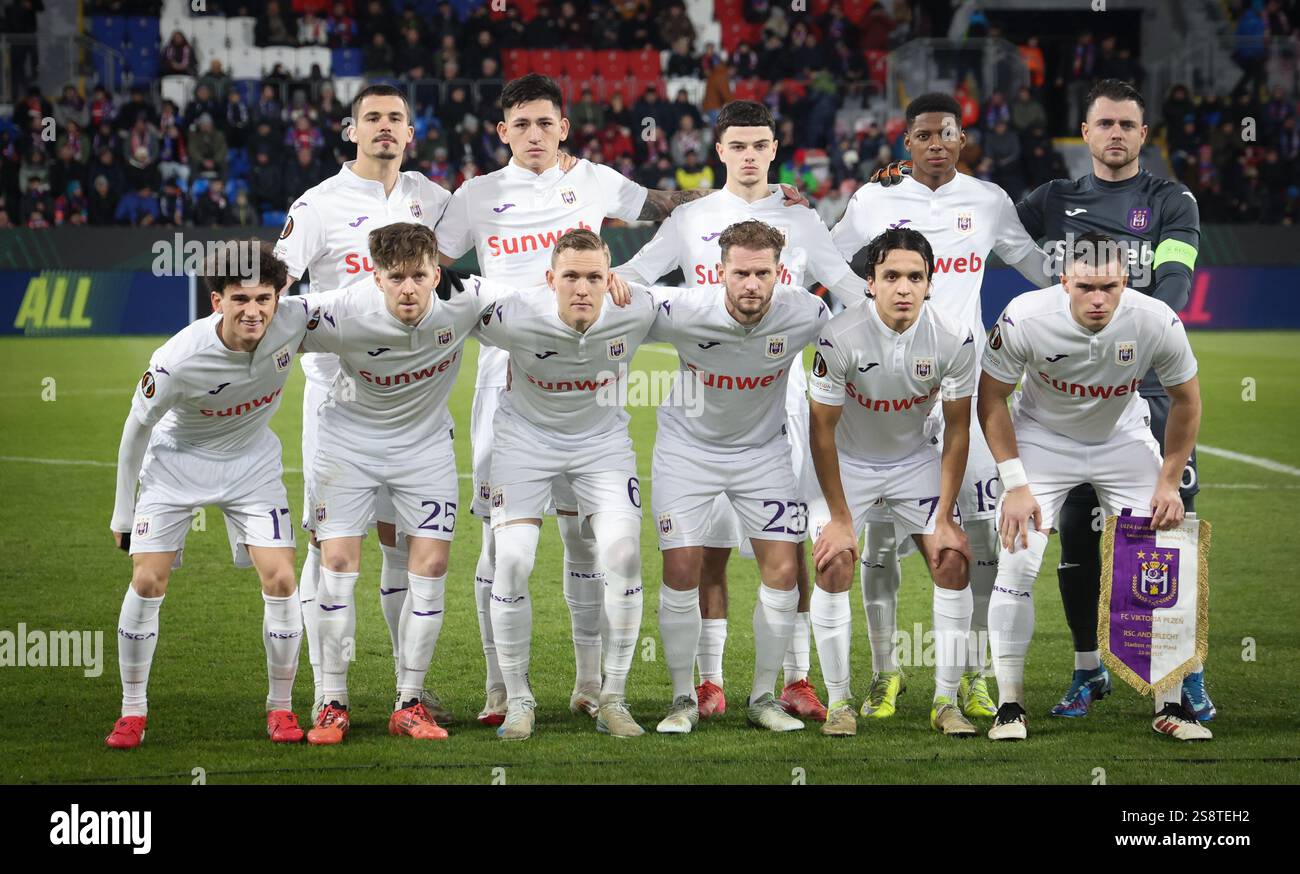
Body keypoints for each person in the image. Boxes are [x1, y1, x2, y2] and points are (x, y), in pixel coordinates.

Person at [434, 74, 799, 726]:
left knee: (586, 540)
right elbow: (430, 265)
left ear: (564, 127)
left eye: (546, 123)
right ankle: (498, 688)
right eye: (521, 124)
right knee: (502, 545)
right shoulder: (477, 194)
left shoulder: (597, 181)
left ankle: (591, 683)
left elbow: (666, 204)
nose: (535, 135)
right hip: (508, 375)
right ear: (502, 132)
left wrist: (758, 199)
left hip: (592, 371)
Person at [615, 100, 866, 723]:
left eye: (760, 145)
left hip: (783, 402)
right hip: (705, 397)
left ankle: (796, 678)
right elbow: (635, 278)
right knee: (708, 550)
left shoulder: (802, 217)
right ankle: (705, 681)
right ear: (719, 151)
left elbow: (848, 288)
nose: (750, 155)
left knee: (790, 547)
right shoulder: (693, 217)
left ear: (774, 149)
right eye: (738, 145)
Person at [832, 93, 1052, 722]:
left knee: (980, 534)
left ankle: (977, 674)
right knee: (877, 539)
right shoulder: (875, 199)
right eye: (923, 135)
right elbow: (828, 258)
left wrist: (1080, 291)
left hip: (967, 385)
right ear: (907, 144)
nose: (935, 144)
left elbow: (1032, 265)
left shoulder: (988, 200)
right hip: (887, 389)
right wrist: (861, 318)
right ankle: (883, 674)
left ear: (962, 139)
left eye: (946, 134)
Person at [977, 231, 1206, 742]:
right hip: (1041, 439)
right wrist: (1014, 482)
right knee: (1018, 557)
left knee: (1159, 558)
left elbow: (1187, 400)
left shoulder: (1155, 320)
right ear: (1064, 280)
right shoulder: (1024, 316)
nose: (1098, 299)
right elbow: (990, 398)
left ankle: (1171, 706)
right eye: (1085, 287)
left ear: (1126, 280)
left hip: (1121, 438)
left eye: (1109, 286)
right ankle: (1009, 705)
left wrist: (1169, 482)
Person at [273, 84, 453, 724]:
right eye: (371, 118)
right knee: (331, 550)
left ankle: (410, 690)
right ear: (351, 131)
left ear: (411, 133)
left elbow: (469, 269)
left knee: (404, 543)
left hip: (413, 399)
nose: (383, 127)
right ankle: (326, 690)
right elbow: (279, 280)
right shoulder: (318, 204)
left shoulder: (433, 200)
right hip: (338, 396)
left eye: (395, 119)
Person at [296, 222, 504, 745]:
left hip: (425, 448)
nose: (409, 288)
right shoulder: (341, 310)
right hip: (348, 447)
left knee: (430, 566)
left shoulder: (466, 299)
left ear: (438, 271)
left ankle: (409, 702)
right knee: (338, 565)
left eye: (419, 275)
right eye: (396, 278)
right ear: (376, 276)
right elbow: (266, 322)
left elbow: (536, 301)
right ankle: (332, 702)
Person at [106, 243, 310, 749]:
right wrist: (122, 510)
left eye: (265, 298)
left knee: (283, 578)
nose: (254, 311)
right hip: (177, 464)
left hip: (252, 463)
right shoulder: (178, 359)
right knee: (148, 581)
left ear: (278, 297)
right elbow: (136, 430)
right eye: (240, 298)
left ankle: (281, 709)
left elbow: (357, 304)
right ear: (217, 301)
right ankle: (133, 712)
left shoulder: (292, 323)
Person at [643, 220, 829, 735]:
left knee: (784, 570)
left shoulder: (807, 312)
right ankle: (683, 697)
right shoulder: (681, 310)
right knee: (681, 567)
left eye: (762, 273)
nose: (751, 284)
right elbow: (611, 302)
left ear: (779, 273)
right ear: (720, 271)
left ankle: (763, 697)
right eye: (741, 272)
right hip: (687, 450)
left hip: (762, 452)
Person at [472, 229, 647, 740]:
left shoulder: (637, 309)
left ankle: (610, 695)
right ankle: (518, 698)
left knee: (624, 558)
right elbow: (445, 306)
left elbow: (714, 303)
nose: (582, 288)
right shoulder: (514, 312)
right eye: (570, 276)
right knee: (514, 560)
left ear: (609, 279)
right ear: (549, 279)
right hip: (524, 442)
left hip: (601, 444)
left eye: (595, 277)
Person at [809, 227, 978, 737]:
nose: (903, 287)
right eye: (891, 276)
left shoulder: (955, 337)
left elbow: (958, 429)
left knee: (953, 561)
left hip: (912, 461)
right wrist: (839, 519)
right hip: (847, 463)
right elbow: (822, 432)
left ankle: (946, 702)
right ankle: (839, 702)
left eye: (914, 277)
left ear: (930, 284)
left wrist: (945, 516)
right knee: (834, 563)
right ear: (870, 282)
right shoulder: (839, 337)